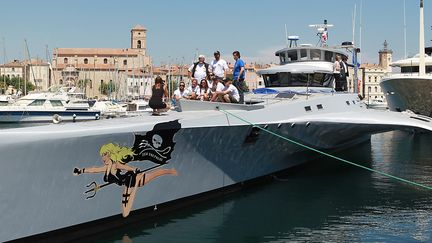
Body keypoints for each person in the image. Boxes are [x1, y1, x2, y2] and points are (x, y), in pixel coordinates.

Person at [73, 143, 177, 217]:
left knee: (158, 172)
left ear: (110, 154)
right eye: (102, 155)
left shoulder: (116, 164)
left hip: (135, 180)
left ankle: (171, 171)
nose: (103, 157)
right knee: (157, 173)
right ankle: (170, 171)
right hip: (129, 182)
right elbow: (94, 169)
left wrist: (135, 170)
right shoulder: (107, 168)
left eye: (105, 154)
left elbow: (127, 168)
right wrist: (81, 171)